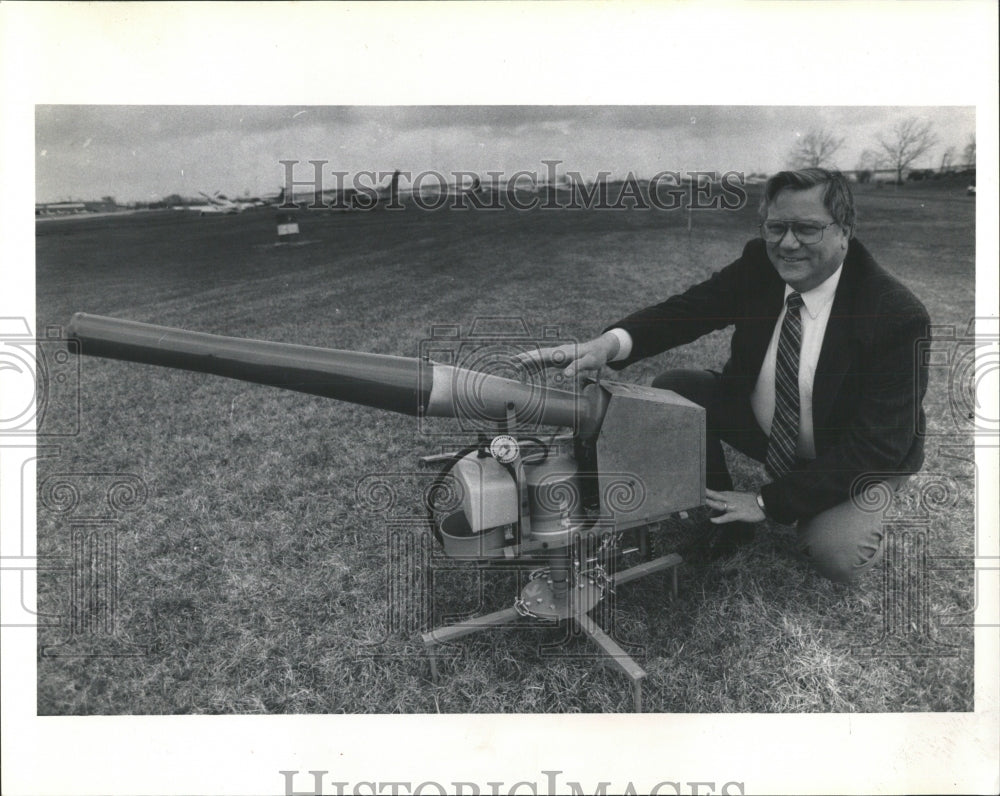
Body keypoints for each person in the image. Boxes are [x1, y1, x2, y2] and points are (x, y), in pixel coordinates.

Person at [524, 168, 930, 585]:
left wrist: (766, 501)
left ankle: (817, 507)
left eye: (807, 229)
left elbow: (876, 446)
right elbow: (689, 310)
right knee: (676, 389)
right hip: (767, 429)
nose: (788, 243)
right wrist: (608, 345)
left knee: (837, 553)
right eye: (777, 227)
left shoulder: (896, 314)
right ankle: (728, 519)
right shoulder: (761, 263)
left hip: (851, 456)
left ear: (845, 230)